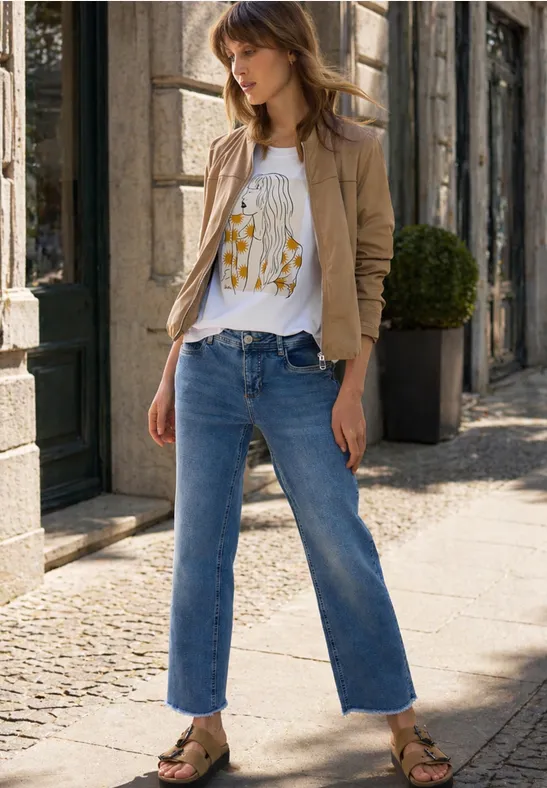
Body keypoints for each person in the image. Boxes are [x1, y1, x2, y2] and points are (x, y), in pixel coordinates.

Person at [148, 2, 453, 786]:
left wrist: (350, 391)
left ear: (289, 51)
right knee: (198, 555)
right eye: (229, 56)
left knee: (340, 548)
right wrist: (168, 371)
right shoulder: (226, 152)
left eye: (249, 50)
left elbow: (367, 276)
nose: (238, 69)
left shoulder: (354, 149)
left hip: (300, 372)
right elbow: (205, 269)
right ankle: (203, 727)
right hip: (209, 367)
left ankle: (403, 727)